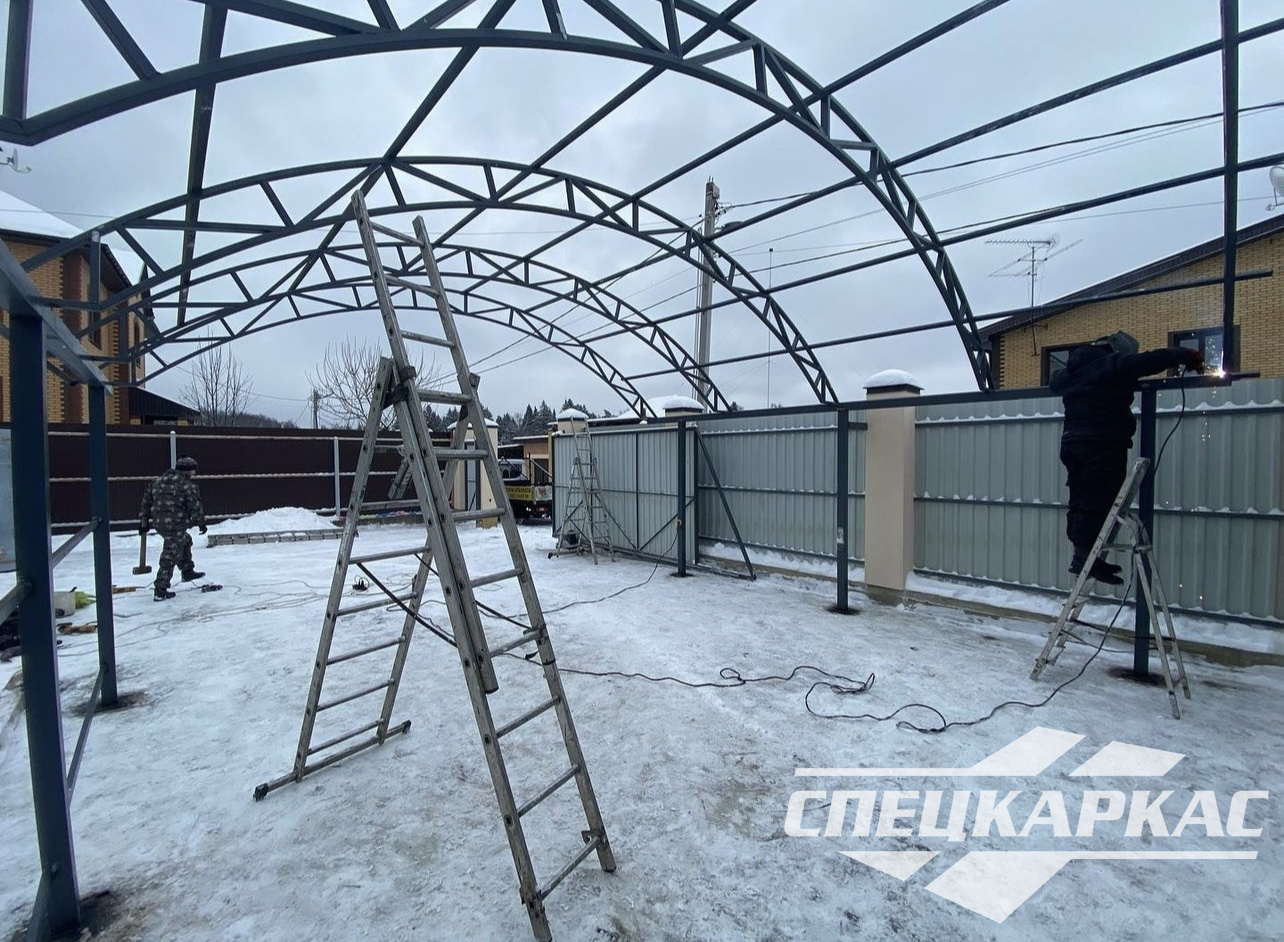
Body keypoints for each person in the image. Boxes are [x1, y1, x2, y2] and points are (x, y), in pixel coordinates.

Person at [1049, 331, 1203, 585]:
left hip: (1072, 442)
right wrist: (1185, 354)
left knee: (1081, 497)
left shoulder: (1074, 370)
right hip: (1101, 441)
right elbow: (1150, 360)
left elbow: (1055, 380)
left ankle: (1082, 555)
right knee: (1100, 498)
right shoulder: (1114, 363)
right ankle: (1086, 557)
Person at [139, 455, 207, 601]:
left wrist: (143, 520)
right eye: (193, 470)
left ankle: (187, 571)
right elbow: (195, 507)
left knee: (185, 540)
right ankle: (160, 589)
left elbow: (146, 501)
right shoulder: (187, 486)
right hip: (176, 524)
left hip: (160, 524)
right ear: (187, 471)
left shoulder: (157, 482)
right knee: (171, 554)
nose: (194, 473)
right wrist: (200, 523)